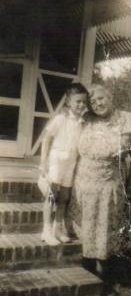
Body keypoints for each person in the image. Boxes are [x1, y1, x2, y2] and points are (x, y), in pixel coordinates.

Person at [73, 84, 131, 278]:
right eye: (93, 102)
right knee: (85, 226)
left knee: (105, 228)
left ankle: (103, 273)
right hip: (83, 183)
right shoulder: (86, 120)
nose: (98, 104)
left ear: (110, 98)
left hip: (109, 183)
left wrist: (130, 185)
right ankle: (85, 270)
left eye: (101, 98)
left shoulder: (126, 119)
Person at [39, 83, 88, 246]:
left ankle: (57, 229)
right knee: (51, 196)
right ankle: (46, 231)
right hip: (57, 160)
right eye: (77, 101)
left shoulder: (82, 122)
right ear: (68, 102)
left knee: (65, 197)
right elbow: (46, 139)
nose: (81, 105)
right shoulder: (61, 119)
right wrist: (43, 162)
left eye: (84, 102)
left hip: (71, 162)